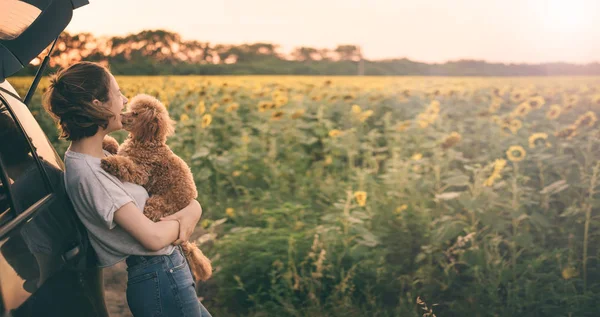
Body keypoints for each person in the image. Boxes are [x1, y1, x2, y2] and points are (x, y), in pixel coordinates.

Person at [42, 61, 212, 317]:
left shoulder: (96, 157)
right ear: (97, 104)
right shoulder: (94, 174)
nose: (124, 100)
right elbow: (152, 238)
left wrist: (190, 208)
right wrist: (190, 214)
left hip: (166, 272)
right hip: (159, 275)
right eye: (118, 93)